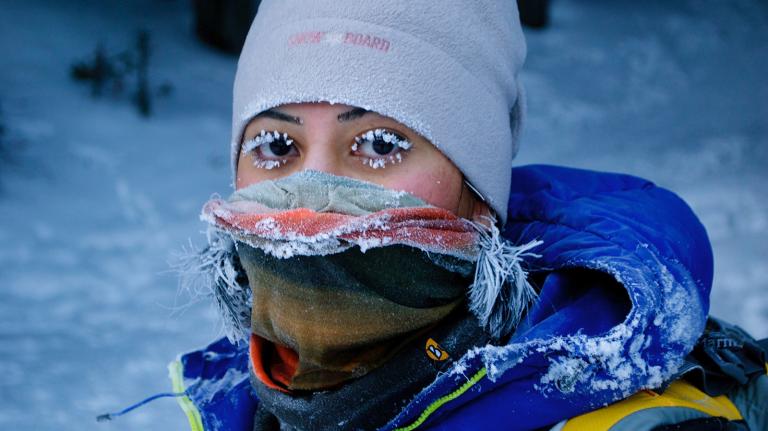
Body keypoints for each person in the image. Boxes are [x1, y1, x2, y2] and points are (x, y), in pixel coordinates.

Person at [170, 1, 767, 430]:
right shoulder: (235, 401)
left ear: (479, 197)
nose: (312, 195)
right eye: (276, 145)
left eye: (379, 143)